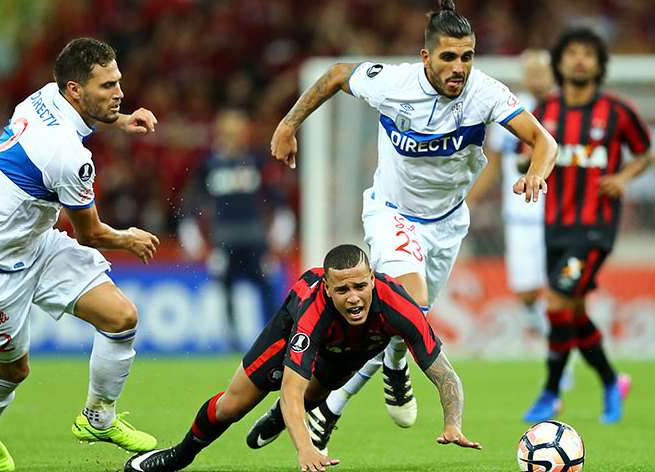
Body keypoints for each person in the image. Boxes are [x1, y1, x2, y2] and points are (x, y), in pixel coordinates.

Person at [267, 0, 557, 452]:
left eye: (467, 56)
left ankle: (364, 386)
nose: (459, 67)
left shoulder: (486, 93)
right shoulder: (394, 84)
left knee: (408, 321)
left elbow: (544, 141)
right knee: (412, 302)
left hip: (447, 224)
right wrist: (288, 124)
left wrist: (538, 170)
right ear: (427, 57)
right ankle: (341, 400)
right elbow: (337, 74)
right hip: (391, 213)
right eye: (448, 57)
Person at [0, 38, 161, 472]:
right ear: (76, 90)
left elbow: (89, 115)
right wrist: (130, 239)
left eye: (118, 82)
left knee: (121, 318)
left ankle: (98, 419)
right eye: (107, 87)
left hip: (36, 246)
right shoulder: (69, 156)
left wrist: (120, 120)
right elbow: (91, 235)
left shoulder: (44, 96)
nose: (119, 92)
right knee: (12, 372)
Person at [124, 244, 481, 472]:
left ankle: (280, 420)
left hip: (346, 352)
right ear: (327, 288)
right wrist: (306, 449)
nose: (353, 298)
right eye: (342, 290)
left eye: (360, 286)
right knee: (233, 407)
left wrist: (453, 422)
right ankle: (180, 455)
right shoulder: (313, 315)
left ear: (373, 279)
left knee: (315, 397)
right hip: (288, 337)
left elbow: (444, 374)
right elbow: (290, 388)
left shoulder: (400, 307)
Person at [522, 27, 652, 424]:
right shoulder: (545, 111)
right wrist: (527, 169)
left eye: (588, 53)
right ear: (559, 62)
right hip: (554, 225)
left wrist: (624, 177)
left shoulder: (617, 110)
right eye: (571, 53)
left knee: (558, 302)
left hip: (596, 226)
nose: (579, 59)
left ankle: (550, 392)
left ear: (599, 63)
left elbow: (644, 152)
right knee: (573, 312)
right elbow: (524, 152)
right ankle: (613, 381)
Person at [177, 108, 295, 351]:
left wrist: (278, 238)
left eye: (238, 131)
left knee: (266, 289)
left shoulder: (258, 160)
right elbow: (192, 205)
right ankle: (232, 345)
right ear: (219, 132)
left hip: (256, 240)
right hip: (224, 241)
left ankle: (274, 341)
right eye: (229, 132)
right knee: (226, 292)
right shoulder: (208, 165)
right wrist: (195, 242)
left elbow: (277, 201)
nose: (234, 137)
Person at [467, 49, 554, 336]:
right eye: (531, 73)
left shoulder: (566, 110)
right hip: (521, 214)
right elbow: (493, 162)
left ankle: (560, 353)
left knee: (560, 288)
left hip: (560, 213)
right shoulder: (512, 110)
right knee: (526, 290)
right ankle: (544, 329)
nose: (536, 79)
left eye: (541, 72)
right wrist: (469, 199)